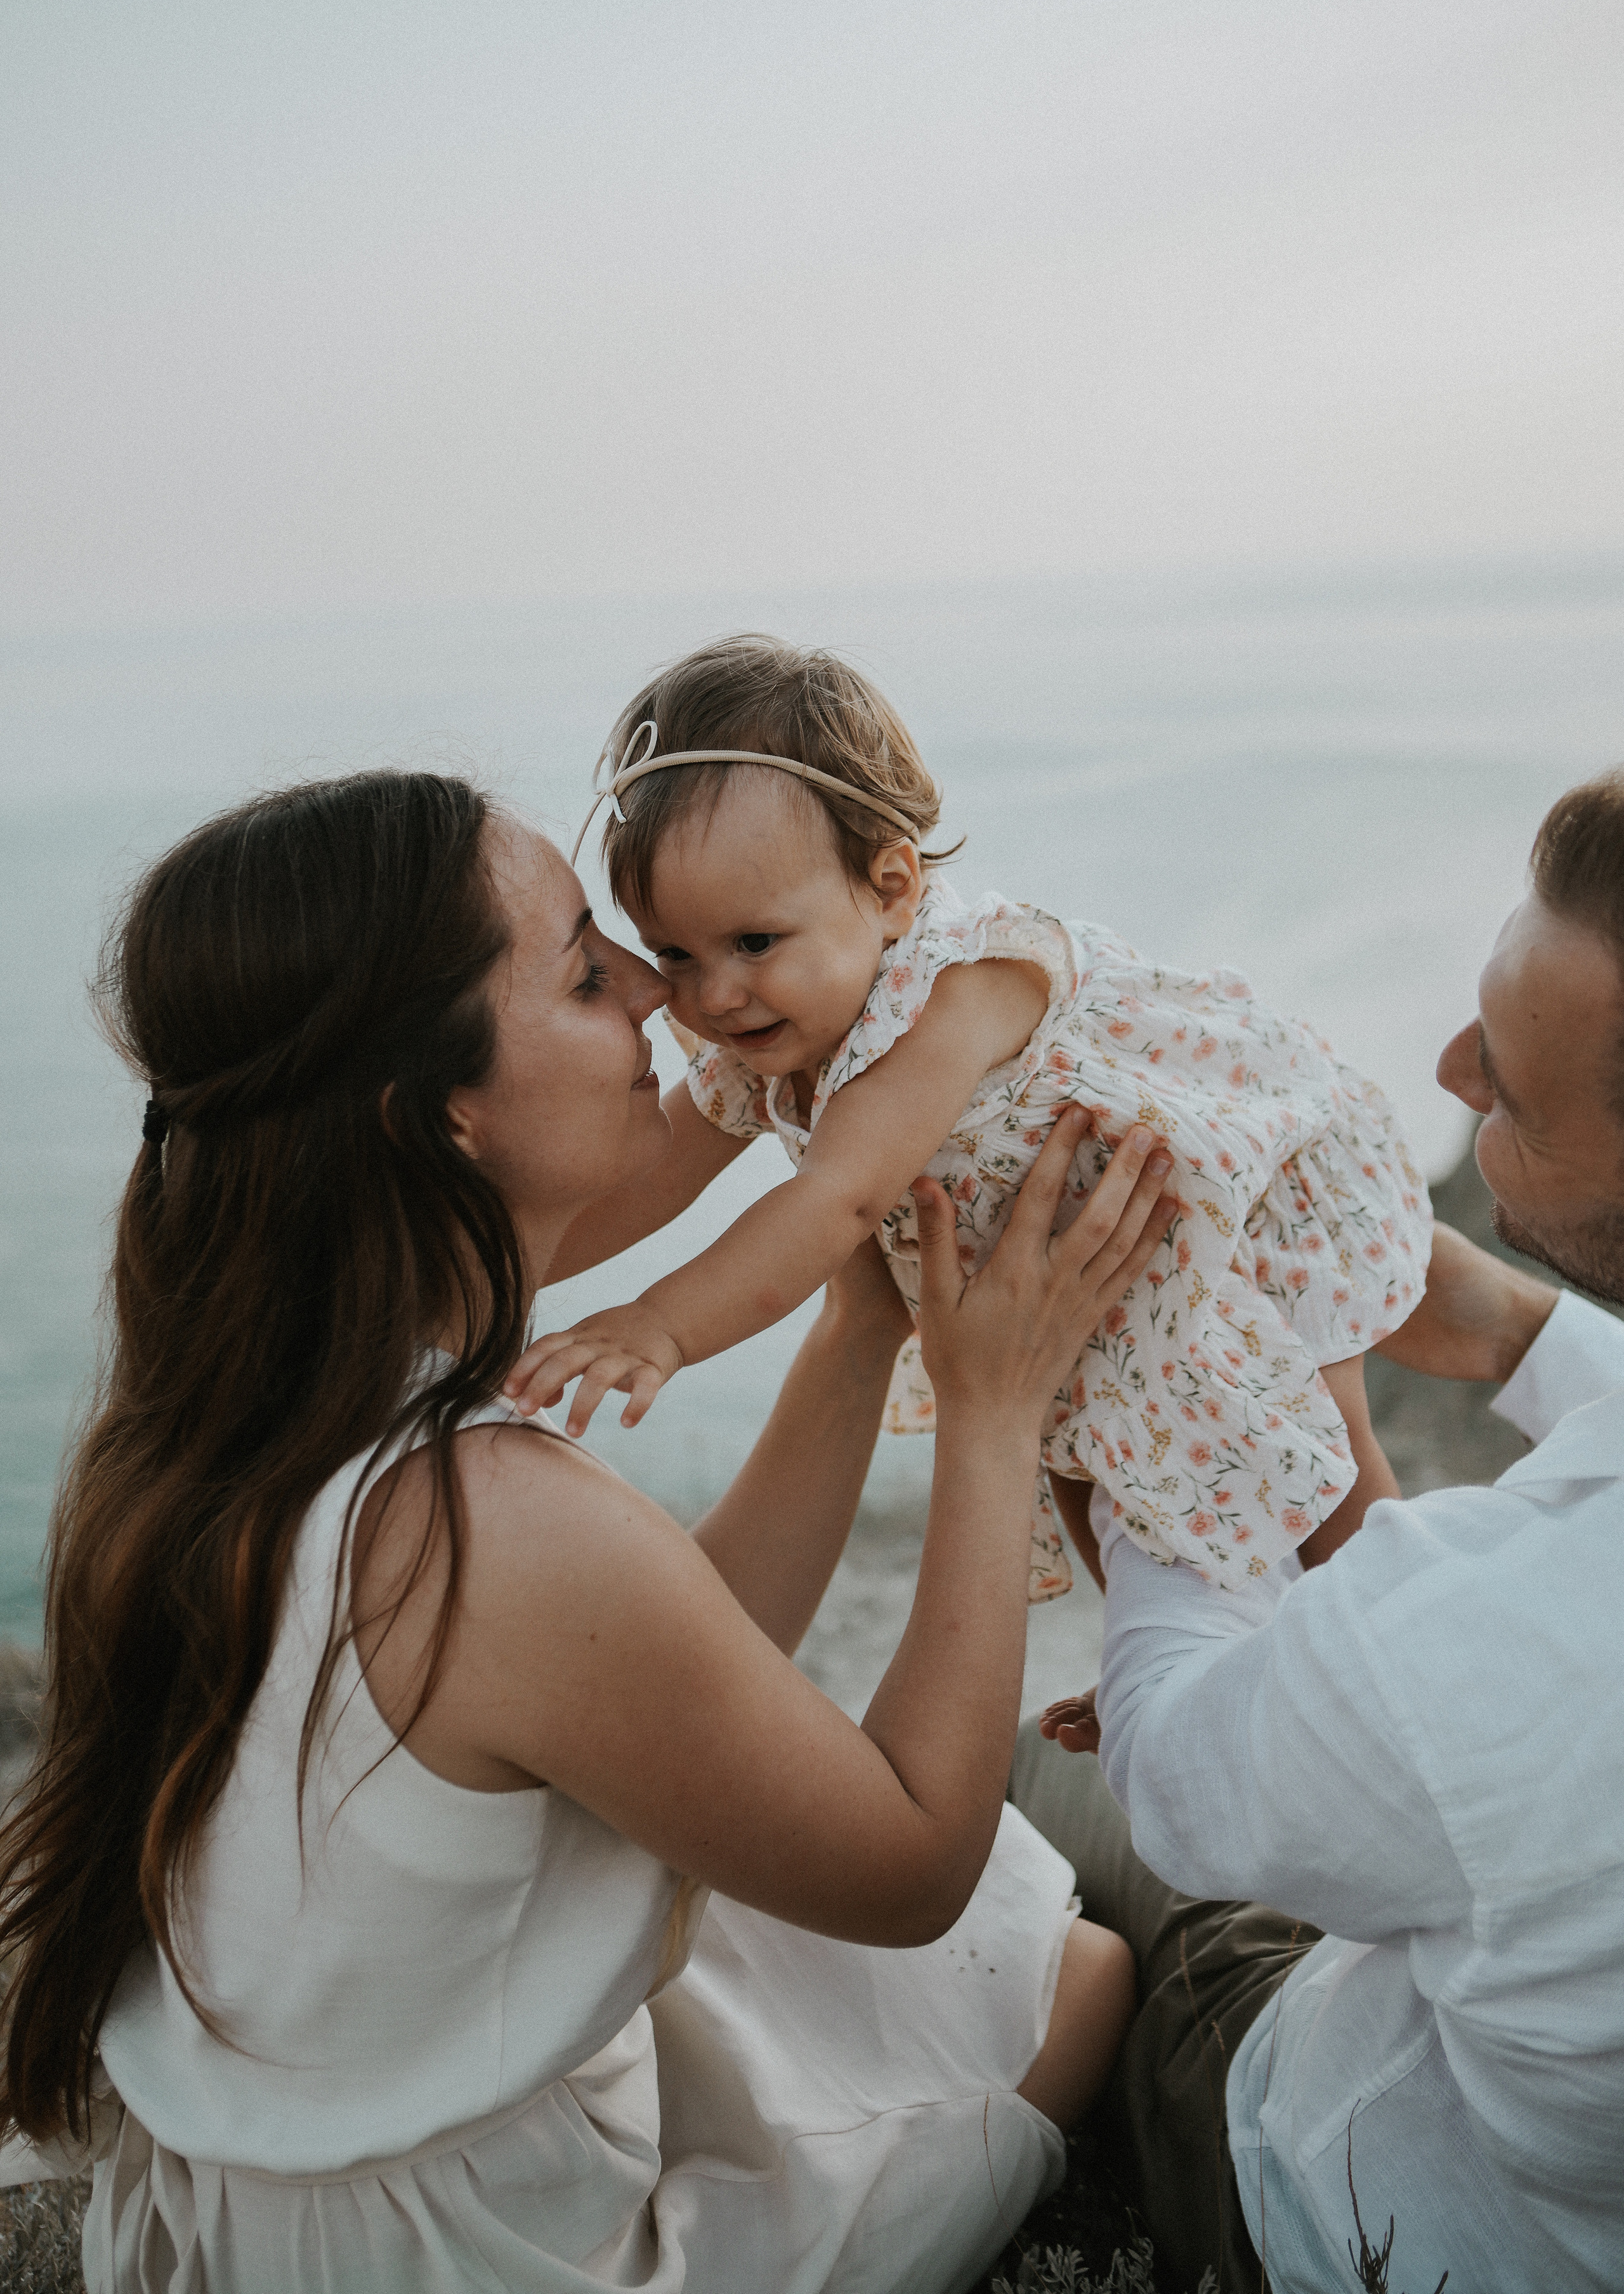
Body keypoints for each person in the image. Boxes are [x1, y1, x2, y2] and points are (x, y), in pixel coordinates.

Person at [0, 770, 1174, 2294]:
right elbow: (905, 1871)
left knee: (903, 1939)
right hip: (469, 2257)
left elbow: (649, 1664)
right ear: (442, 1117)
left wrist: (854, 1331)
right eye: (581, 968)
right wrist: (996, 1405)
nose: (655, 987)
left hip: (291, 2201)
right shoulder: (479, 1518)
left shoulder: (243, 1417)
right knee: (1072, 1975)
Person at [1015, 768, 1624, 2293]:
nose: (1446, 1065)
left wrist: (1188, 1377)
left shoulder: (1512, 1637)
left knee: (1034, 1769)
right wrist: (1516, 1333)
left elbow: (1173, 1770)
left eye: (1504, 1082)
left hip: (1353, 2191)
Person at [508, 634, 1431, 1598]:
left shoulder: (954, 993)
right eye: (678, 955)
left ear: (892, 889)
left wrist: (660, 1325)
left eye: (753, 941)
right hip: (1085, 1276)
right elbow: (651, 1177)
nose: (718, 996)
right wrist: (481, 1271)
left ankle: (1394, 1625)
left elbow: (839, 1202)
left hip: (1230, 1203)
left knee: (1325, 1437)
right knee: (1083, 1460)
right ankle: (1167, 1658)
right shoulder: (779, 1026)